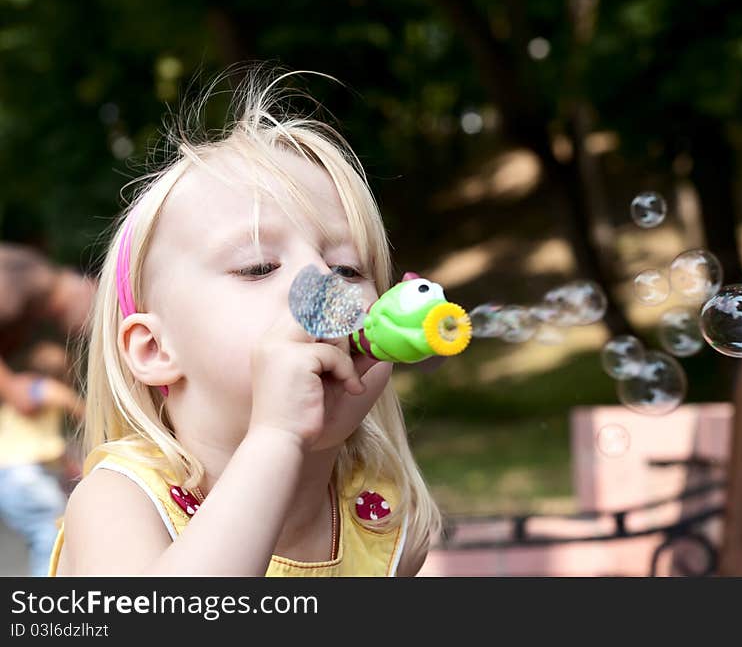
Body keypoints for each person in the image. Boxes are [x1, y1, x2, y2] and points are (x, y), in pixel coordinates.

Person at [48, 67, 442, 577]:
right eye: (258, 267)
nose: (322, 284)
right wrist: (275, 437)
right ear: (154, 350)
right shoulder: (119, 500)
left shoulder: (389, 524)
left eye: (347, 268)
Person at [0, 244, 93, 577]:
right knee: (50, 534)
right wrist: (11, 388)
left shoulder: (31, 301)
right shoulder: (29, 281)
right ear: (83, 287)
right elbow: (62, 401)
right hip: (18, 474)